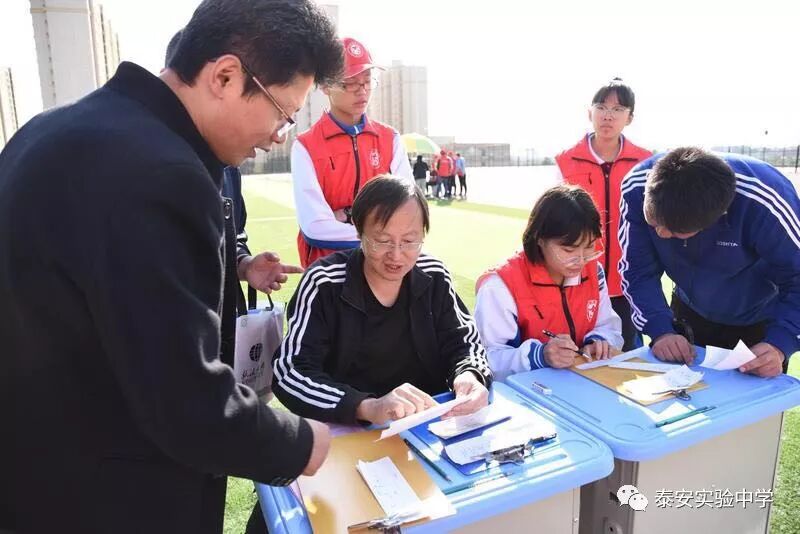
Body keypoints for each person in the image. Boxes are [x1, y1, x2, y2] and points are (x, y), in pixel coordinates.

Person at [0, 1, 343, 532]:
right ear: (225, 76)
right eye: (283, 112)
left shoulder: (46, 130)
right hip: (113, 499)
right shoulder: (163, 175)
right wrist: (299, 442)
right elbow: (184, 400)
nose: (280, 134)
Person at [273, 176, 492, 425]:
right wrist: (366, 407)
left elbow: (465, 342)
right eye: (382, 241)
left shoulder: (434, 275)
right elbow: (290, 372)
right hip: (349, 427)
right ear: (359, 232)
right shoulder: (324, 282)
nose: (396, 255)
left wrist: (469, 376)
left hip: (428, 423)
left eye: (409, 241)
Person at [619, 147, 800, 378]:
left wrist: (780, 343)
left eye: (674, 231)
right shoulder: (636, 186)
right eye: (653, 222)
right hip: (688, 312)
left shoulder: (764, 199)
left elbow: (797, 277)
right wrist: (661, 329)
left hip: (758, 318)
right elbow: (637, 271)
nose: (661, 234)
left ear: (717, 219)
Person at [475, 186, 623, 382]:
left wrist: (599, 341)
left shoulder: (593, 272)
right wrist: (539, 355)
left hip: (582, 383)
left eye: (589, 246)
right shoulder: (500, 285)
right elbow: (485, 359)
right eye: (569, 249)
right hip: (524, 392)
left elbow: (608, 325)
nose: (581, 260)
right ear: (539, 239)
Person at [292, 37, 413, 268]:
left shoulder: (391, 139)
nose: (362, 91)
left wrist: (346, 215)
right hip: (328, 270)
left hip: (384, 269)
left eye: (367, 81)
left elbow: (408, 212)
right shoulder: (305, 146)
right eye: (350, 82)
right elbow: (315, 226)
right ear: (325, 86)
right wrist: (383, 235)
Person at [555, 78, 651, 351]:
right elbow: (552, 223)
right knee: (578, 355)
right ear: (590, 113)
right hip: (578, 278)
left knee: (628, 356)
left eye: (618, 109)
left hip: (629, 280)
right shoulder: (565, 161)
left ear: (629, 118)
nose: (608, 115)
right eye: (601, 107)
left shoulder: (646, 163)